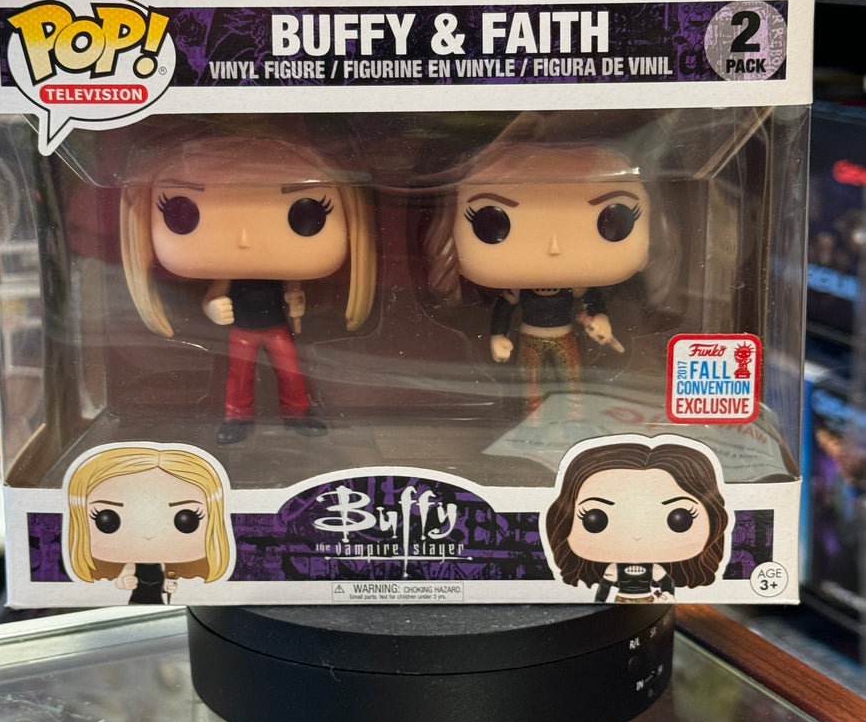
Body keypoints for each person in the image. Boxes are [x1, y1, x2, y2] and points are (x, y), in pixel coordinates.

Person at [121, 132, 375, 443]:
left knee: (291, 371)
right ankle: (237, 418)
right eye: (182, 213)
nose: (244, 239)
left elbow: (293, 292)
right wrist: (213, 309)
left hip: (277, 328)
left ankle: (298, 412)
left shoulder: (284, 273)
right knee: (239, 376)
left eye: (307, 213)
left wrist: (297, 302)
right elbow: (213, 297)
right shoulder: (229, 275)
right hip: (242, 331)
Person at [426, 123, 668, 417]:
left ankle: (575, 413)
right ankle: (534, 417)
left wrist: (601, 318)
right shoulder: (519, 288)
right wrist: (498, 335)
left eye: (613, 219)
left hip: (564, 335)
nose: (554, 247)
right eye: (491, 223)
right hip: (530, 337)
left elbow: (592, 301)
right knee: (531, 383)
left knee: (572, 377)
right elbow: (504, 308)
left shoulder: (576, 286)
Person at [542, 436, 729, 601]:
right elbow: (604, 589)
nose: (637, 535)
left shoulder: (654, 570)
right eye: (595, 519)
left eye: (680, 519)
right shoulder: (613, 570)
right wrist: (599, 602)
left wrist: (665, 596)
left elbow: (667, 584)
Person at [67, 444, 232, 603]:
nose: (148, 534)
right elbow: (121, 581)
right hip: (135, 601)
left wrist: (167, 587)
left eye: (186, 520)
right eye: (108, 519)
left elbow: (162, 583)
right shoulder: (131, 565)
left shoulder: (162, 564)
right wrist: (124, 582)